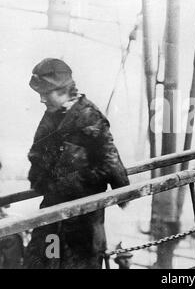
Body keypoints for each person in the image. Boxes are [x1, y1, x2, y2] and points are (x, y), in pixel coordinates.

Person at [24, 58, 130, 269]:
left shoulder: (90, 116)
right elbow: (36, 154)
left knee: (80, 264)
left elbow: (110, 160)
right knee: (45, 260)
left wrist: (119, 192)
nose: (42, 100)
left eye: (46, 94)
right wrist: (41, 180)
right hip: (53, 212)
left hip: (84, 216)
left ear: (64, 90)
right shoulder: (50, 117)